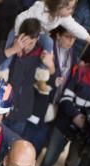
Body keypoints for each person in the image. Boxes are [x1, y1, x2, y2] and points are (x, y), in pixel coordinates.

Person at [0, 0, 90, 95]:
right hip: (22, 28)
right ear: (59, 6)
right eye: (68, 8)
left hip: (39, 33)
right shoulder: (41, 8)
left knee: (49, 42)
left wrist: (88, 38)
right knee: (11, 45)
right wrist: (18, 37)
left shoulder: (63, 17)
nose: (71, 11)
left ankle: (41, 77)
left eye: (72, 8)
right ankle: (1, 74)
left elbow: (75, 27)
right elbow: (20, 18)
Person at [0, 18, 56, 136]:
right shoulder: (8, 45)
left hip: (22, 114)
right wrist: (12, 50)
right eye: (24, 42)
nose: (27, 47)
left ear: (37, 39)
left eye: (31, 43)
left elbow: (54, 81)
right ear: (19, 37)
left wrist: (50, 65)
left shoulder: (41, 54)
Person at [23, 26, 77, 156]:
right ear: (58, 36)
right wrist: (53, 72)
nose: (71, 41)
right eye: (67, 37)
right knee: (28, 136)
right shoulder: (48, 49)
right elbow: (37, 75)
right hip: (40, 99)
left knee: (40, 142)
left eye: (74, 38)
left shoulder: (72, 54)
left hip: (56, 103)